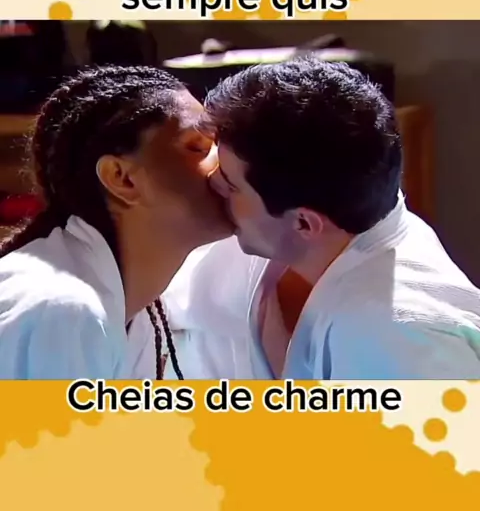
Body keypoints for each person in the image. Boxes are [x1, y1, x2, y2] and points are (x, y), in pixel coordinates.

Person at [163, 55, 480, 379]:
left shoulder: (403, 344)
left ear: (304, 223)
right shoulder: (312, 228)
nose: (213, 181)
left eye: (231, 184)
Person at [0, 64, 232, 379]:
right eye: (199, 147)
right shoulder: (62, 311)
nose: (228, 160)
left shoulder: (144, 308)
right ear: (122, 178)